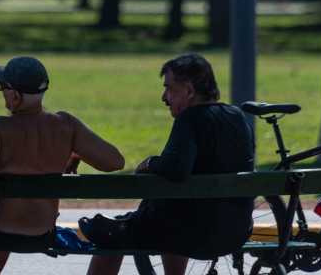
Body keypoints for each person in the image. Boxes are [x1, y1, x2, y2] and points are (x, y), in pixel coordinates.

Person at [0, 56, 125, 275]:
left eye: (2, 87)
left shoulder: (0, 128)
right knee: (0, 208)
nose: (1, 92)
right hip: (41, 233)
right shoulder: (66, 126)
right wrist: (76, 151)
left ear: (16, 96)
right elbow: (115, 162)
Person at [83, 53, 256, 275]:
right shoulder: (237, 117)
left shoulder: (190, 119)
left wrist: (149, 163)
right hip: (234, 233)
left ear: (189, 91)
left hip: (189, 234)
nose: (164, 97)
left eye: (169, 88)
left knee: (109, 237)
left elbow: (176, 169)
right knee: (176, 212)